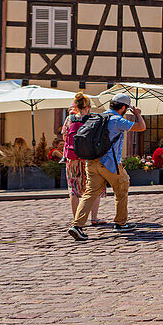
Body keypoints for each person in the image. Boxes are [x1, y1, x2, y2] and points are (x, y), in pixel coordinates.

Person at [68, 93, 145, 241]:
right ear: (123, 107)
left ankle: (77, 226)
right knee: (122, 187)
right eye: (126, 108)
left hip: (91, 162)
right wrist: (137, 114)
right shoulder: (117, 120)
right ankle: (120, 223)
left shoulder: (98, 117)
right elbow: (141, 127)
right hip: (109, 163)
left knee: (90, 193)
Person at [62, 93, 103, 227]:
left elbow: (64, 136)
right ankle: (94, 218)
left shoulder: (70, 119)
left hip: (72, 159)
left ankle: (77, 220)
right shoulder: (93, 119)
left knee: (73, 189)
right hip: (88, 159)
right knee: (93, 188)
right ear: (88, 107)